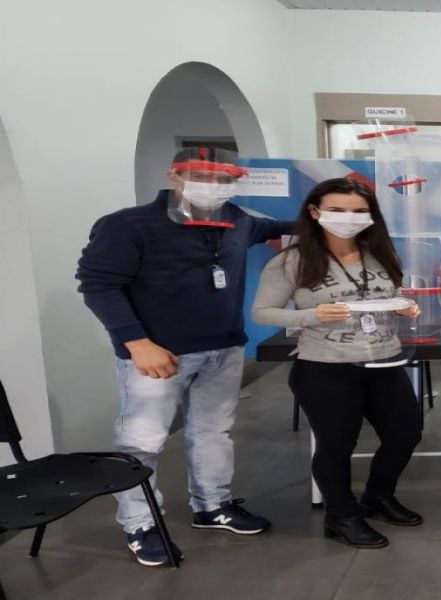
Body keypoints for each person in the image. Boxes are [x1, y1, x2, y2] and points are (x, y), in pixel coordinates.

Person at [77, 147, 288, 567]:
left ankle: (212, 505)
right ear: (174, 176)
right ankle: (140, 523)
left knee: (213, 432)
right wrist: (137, 343)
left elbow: (278, 227)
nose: (213, 186)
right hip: (159, 354)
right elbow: (97, 285)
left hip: (223, 348)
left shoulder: (237, 221)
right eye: (201, 176)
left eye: (223, 179)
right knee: (142, 442)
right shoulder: (127, 225)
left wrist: (331, 217)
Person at [252, 177, 423, 549]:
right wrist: (312, 315)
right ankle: (342, 515)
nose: (349, 218)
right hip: (326, 367)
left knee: (405, 433)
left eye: (359, 211)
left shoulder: (380, 252)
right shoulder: (291, 261)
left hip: (384, 362)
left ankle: (378, 496)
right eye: (337, 210)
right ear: (315, 212)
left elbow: (389, 292)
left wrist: (404, 304)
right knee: (336, 445)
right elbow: (263, 312)